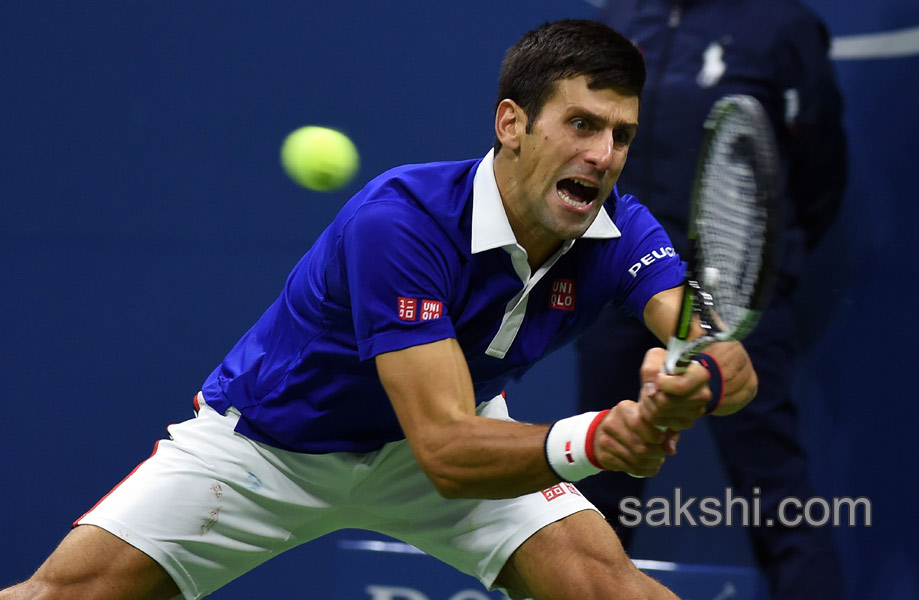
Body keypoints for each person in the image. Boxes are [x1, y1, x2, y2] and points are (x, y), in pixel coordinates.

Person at [2, 20, 759, 600]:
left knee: (611, 589)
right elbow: (447, 451)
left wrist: (697, 376)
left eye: (621, 134)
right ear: (512, 124)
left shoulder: (621, 228)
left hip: (446, 445)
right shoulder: (400, 222)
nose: (604, 154)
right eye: (582, 124)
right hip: (275, 444)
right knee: (66, 594)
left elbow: (718, 348)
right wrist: (597, 439)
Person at [574, 2, 848, 599]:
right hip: (618, 287)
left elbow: (819, 169)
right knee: (596, 492)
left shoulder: (781, 26)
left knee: (777, 497)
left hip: (729, 299)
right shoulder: (619, 16)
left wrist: (760, 270)